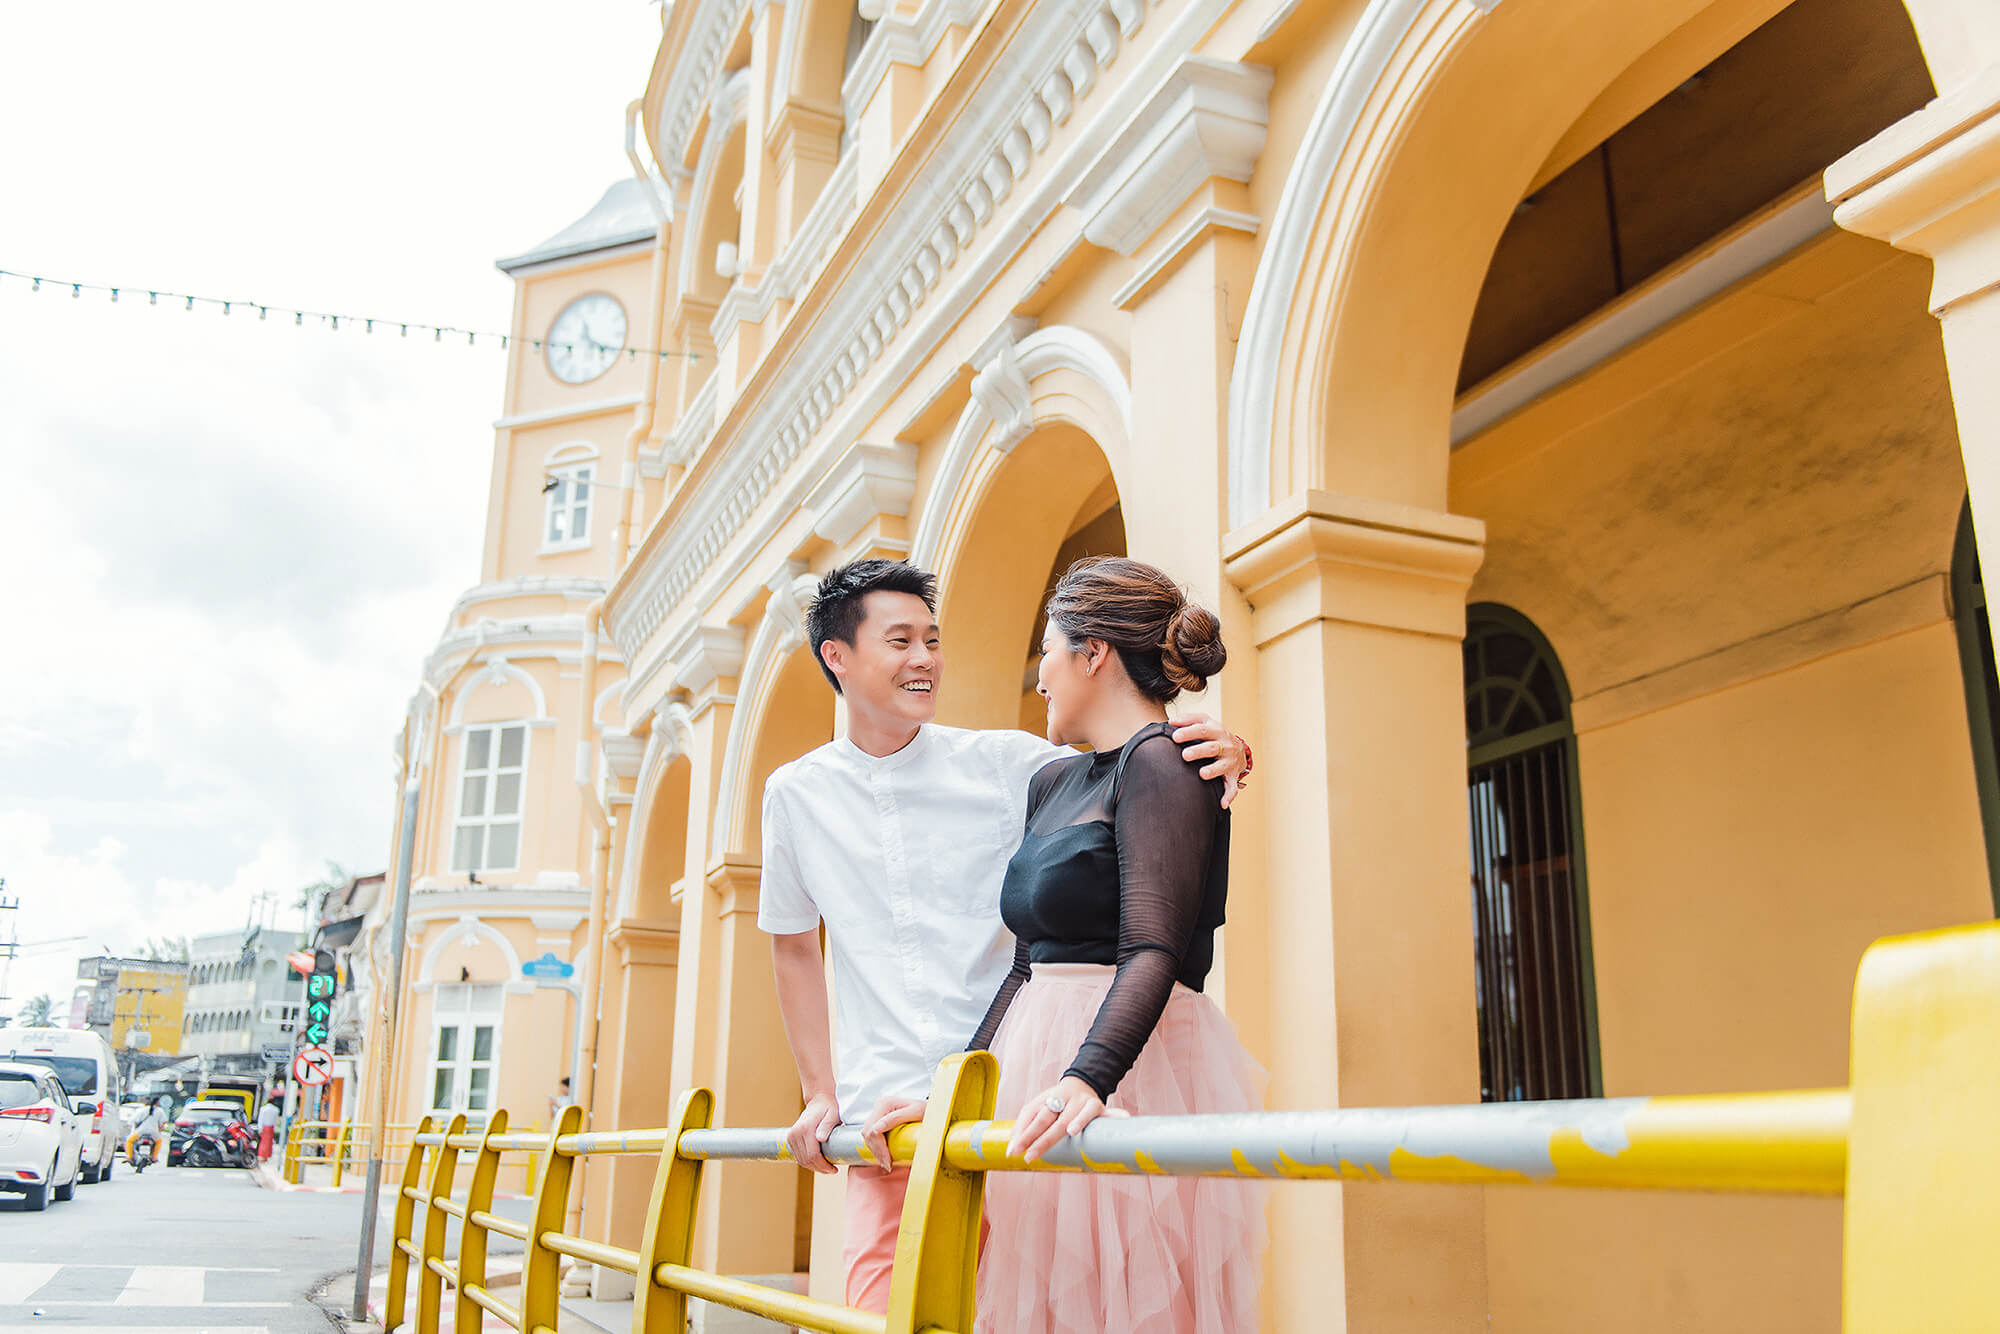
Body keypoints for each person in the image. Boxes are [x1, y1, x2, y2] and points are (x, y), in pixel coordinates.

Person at [761, 559, 1252, 1314]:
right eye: (900, 641)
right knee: (886, 1313)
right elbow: (794, 945)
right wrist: (818, 1092)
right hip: (895, 1110)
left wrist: (1227, 748)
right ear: (838, 656)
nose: (925, 659)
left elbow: (1141, 769)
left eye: (932, 639)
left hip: (1035, 1095)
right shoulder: (795, 795)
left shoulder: (1013, 765)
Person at [969, 556, 1266, 1334]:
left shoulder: (1166, 763)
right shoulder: (1052, 783)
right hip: (1033, 1065)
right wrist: (954, 1085)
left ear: (1092, 652)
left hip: (1127, 1069)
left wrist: (1087, 1079)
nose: (1039, 676)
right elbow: (1024, 964)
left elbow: (1154, 949)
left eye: (1048, 649)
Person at [127, 1096, 170, 1163]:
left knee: (129, 1140)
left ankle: (129, 1157)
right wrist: (159, 1130)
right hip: (154, 1132)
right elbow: (164, 1122)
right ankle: (154, 1157)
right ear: (157, 1102)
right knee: (159, 1141)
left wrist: (135, 1129)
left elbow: (134, 1120)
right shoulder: (159, 1110)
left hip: (141, 1131)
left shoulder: (142, 1110)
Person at [255, 1096, 281, 1161]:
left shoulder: (263, 1109)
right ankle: (267, 1155)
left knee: (263, 1142)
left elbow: (261, 1119)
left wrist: (260, 1129)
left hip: (264, 1127)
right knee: (269, 1143)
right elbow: (276, 1120)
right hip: (271, 1127)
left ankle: (262, 1156)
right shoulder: (276, 1109)